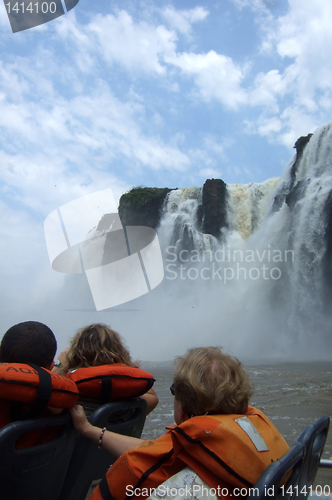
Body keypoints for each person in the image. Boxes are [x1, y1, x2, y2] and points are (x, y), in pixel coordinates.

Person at [70, 347, 290, 500]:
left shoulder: (181, 489)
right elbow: (156, 450)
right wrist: (89, 430)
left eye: (175, 391)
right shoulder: (243, 433)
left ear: (184, 406)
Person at [54, 323, 158, 414]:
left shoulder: (71, 395)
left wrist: (59, 364)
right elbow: (152, 397)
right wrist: (124, 365)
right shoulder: (131, 396)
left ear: (76, 355)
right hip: (117, 436)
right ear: (119, 351)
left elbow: (43, 396)